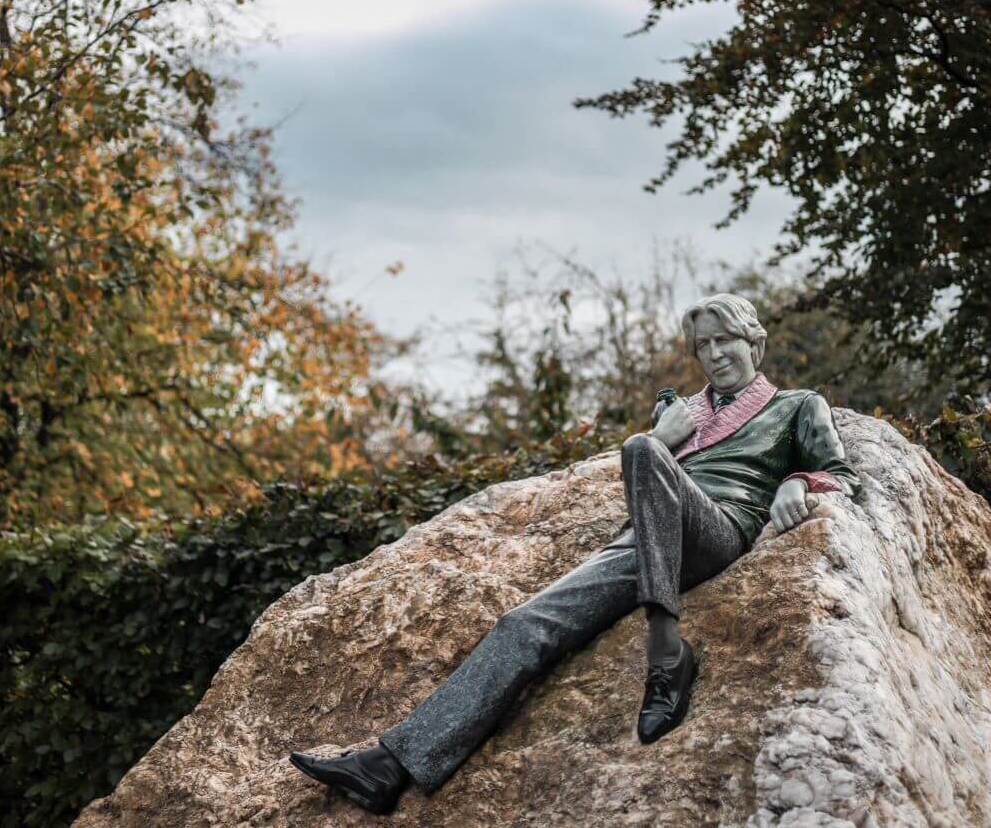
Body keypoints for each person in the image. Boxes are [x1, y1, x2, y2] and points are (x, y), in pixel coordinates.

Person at [290, 292, 861, 815]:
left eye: (725, 340)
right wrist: (665, 437)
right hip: (643, 543)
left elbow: (841, 472)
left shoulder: (796, 406)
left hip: (718, 528)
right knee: (523, 624)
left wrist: (797, 483)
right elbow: (645, 476)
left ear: (754, 342)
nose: (713, 355)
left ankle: (667, 653)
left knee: (640, 448)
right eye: (702, 345)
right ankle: (388, 766)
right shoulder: (681, 413)